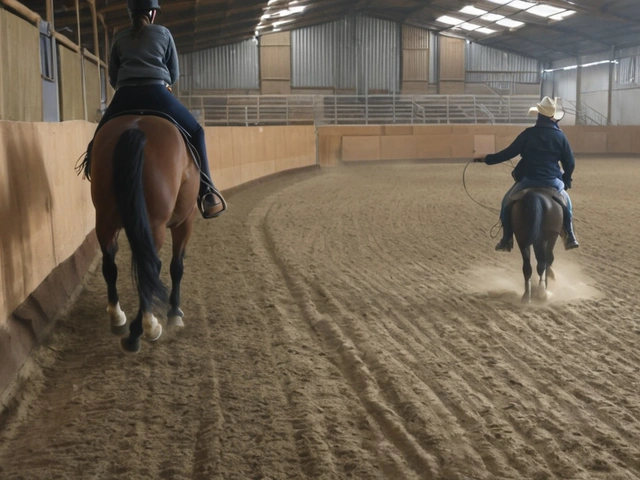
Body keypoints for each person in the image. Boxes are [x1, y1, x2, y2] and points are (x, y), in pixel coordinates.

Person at [79, 0, 225, 219]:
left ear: (130, 14)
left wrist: (127, 87)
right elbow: (173, 73)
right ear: (153, 14)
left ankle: (94, 174)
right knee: (196, 132)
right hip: (158, 95)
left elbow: (113, 78)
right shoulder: (164, 34)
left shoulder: (119, 36)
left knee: (99, 136)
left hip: (125, 97)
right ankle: (207, 190)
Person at [474, 96, 579, 252]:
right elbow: (570, 162)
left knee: (506, 203)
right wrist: (566, 179)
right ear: (553, 116)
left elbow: (508, 153)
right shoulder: (560, 137)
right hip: (552, 181)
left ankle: (506, 238)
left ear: (538, 115)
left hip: (528, 180)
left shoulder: (528, 134)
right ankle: (570, 235)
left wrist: (487, 159)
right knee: (567, 204)